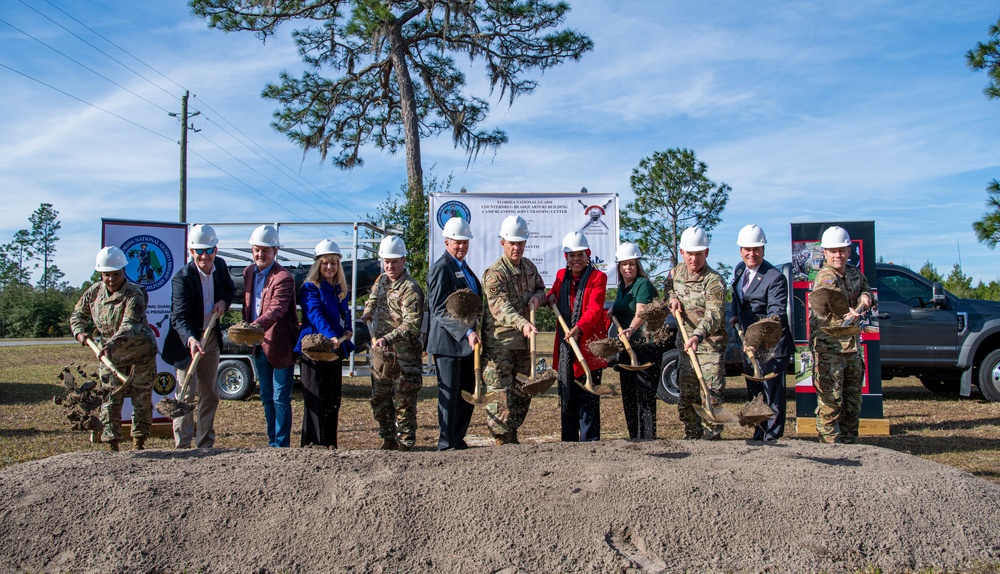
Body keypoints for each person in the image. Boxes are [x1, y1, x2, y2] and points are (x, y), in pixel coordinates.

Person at [70, 246, 158, 451]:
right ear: (101, 273)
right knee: (110, 399)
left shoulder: (134, 294)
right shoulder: (93, 292)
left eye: (115, 274)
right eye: (106, 275)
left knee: (141, 399)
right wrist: (79, 332)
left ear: (123, 272)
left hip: (139, 354)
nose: (111, 279)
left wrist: (111, 344)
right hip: (110, 357)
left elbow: (130, 325)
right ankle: (112, 446)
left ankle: (139, 443)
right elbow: (77, 316)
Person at [161, 224, 236, 449]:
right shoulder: (182, 279)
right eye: (199, 251)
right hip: (188, 341)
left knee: (210, 393)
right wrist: (191, 340)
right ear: (191, 252)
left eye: (209, 250)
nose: (205, 256)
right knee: (185, 395)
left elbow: (229, 291)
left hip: (210, 337)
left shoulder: (220, 267)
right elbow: (179, 317)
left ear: (216, 250)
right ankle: (182, 446)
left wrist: (224, 302)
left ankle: (205, 443)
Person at [481, 216, 546, 445]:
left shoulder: (529, 267)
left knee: (521, 392)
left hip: (523, 346)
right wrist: (523, 323)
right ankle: (501, 439)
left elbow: (541, 288)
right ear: (503, 243)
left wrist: (538, 298)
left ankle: (512, 434)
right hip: (500, 346)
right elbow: (500, 307)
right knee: (499, 393)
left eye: (520, 243)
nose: (516, 248)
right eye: (512, 243)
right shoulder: (495, 273)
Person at [809, 225, 874, 444]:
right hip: (830, 350)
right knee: (830, 400)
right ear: (825, 252)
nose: (838, 255)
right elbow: (829, 302)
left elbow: (867, 289)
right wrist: (848, 312)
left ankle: (849, 443)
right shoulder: (825, 278)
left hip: (852, 348)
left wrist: (866, 298)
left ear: (848, 251)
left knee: (852, 400)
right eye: (833, 251)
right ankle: (830, 446)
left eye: (842, 250)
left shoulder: (854, 273)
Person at [361, 235, 425, 451]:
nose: (389, 266)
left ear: (403, 261)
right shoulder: (381, 281)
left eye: (394, 261)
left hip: (404, 357)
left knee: (403, 404)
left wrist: (386, 338)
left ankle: (405, 445)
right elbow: (372, 296)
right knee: (380, 401)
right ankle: (388, 441)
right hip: (382, 357)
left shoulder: (411, 289)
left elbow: (411, 325)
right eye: (386, 261)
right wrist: (368, 311)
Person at [730, 224, 792, 444]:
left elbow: (775, 316)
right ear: (741, 250)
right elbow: (738, 298)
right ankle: (758, 434)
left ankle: (772, 438)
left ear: (763, 250)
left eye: (756, 249)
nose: (751, 253)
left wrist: (755, 340)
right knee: (755, 393)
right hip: (749, 344)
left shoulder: (774, 277)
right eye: (747, 249)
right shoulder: (739, 270)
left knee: (772, 394)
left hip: (772, 345)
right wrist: (736, 315)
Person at [546, 231, 608, 442]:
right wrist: (550, 297)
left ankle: (590, 443)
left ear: (588, 254)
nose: (576, 259)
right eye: (571, 255)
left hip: (588, 347)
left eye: (580, 254)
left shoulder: (599, 277)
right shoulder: (561, 276)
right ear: (566, 258)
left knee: (588, 399)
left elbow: (595, 308)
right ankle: (569, 443)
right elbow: (552, 293)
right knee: (568, 398)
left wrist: (579, 327)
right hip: (566, 350)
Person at [667, 227, 728, 440]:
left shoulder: (714, 281)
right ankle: (692, 435)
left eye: (698, 254)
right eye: (690, 253)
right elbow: (669, 288)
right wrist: (672, 298)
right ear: (682, 252)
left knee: (711, 393)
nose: (694, 259)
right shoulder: (677, 272)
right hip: (685, 343)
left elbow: (715, 314)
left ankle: (712, 437)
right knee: (687, 393)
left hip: (709, 345)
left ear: (706, 253)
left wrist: (697, 335)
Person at [427, 217, 482, 451]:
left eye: (465, 242)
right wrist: (467, 331)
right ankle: (446, 443)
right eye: (457, 242)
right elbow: (439, 309)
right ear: (447, 242)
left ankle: (457, 439)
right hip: (448, 344)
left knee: (466, 393)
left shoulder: (463, 267)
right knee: (449, 397)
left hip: (467, 344)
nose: (461, 246)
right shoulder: (441, 268)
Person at [295, 239, 356, 448]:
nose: (329, 267)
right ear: (318, 264)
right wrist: (330, 336)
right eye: (325, 263)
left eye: (333, 263)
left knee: (332, 401)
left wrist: (347, 329)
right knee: (316, 401)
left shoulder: (340, 289)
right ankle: (313, 446)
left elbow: (344, 313)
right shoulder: (310, 288)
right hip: (315, 351)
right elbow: (315, 315)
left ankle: (330, 446)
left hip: (334, 350)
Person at [242, 224, 299, 448]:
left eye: (266, 250)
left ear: (275, 251)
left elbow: (277, 309)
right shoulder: (248, 273)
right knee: (266, 397)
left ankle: (281, 445)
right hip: (259, 345)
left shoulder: (284, 277)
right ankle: (271, 442)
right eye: (257, 249)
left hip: (280, 346)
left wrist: (253, 326)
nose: (260, 254)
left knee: (280, 399)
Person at [609, 242, 658, 440]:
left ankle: (647, 437)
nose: (628, 268)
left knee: (644, 395)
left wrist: (631, 328)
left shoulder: (643, 285)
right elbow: (625, 308)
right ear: (619, 267)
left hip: (644, 346)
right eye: (624, 264)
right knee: (628, 394)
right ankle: (634, 436)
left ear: (638, 265)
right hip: (626, 348)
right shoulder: (622, 286)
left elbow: (642, 312)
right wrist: (614, 310)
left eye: (632, 264)